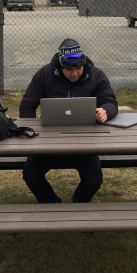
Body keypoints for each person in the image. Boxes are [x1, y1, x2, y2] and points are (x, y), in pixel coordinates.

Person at [19, 38, 118, 203]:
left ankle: (78, 201)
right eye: (69, 70)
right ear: (59, 65)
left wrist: (105, 111)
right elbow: (27, 105)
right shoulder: (45, 74)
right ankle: (52, 204)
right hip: (49, 142)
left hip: (84, 142)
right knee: (30, 173)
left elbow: (110, 101)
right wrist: (34, 132)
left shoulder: (96, 74)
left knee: (94, 178)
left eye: (78, 68)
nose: (74, 74)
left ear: (84, 63)